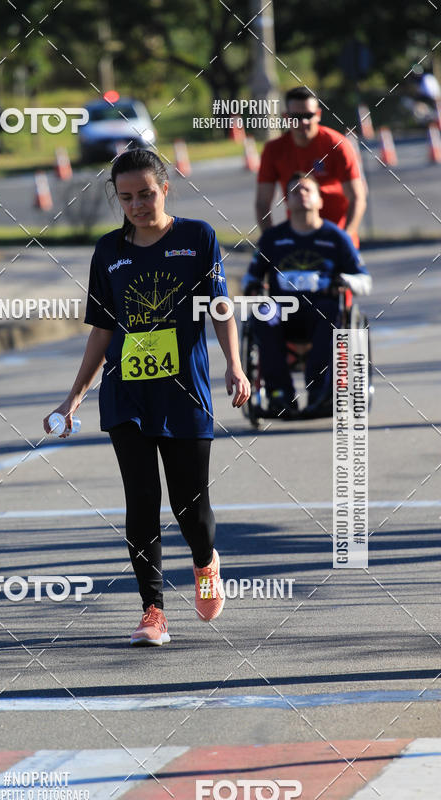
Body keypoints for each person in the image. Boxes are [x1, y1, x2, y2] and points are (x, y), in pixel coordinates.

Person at [44, 149, 250, 646]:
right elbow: (102, 329)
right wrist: (74, 397)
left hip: (184, 393)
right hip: (126, 395)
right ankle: (152, 610)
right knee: (141, 501)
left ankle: (204, 561)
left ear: (165, 190)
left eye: (146, 194)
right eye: (126, 197)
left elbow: (220, 307)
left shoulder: (197, 237)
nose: (136, 205)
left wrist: (235, 365)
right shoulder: (108, 250)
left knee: (190, 508)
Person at [244, 171, 371, 418]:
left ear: (320, 200)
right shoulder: (272, 238)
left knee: (331, 313)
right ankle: (280, 395)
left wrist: (344, 280)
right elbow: (251, 277)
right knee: (263, 314)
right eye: (294, 191)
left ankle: (320, 393)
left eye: (307, 189)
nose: (301, 193)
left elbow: (364, 281)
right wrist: (252, 287)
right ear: (286, 202)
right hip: (283, 309)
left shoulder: (336, 237)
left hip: (321, 309)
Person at [255, 86, 367, 245]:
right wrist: (270, 242)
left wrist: (345, 237)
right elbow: (262, 202)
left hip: (336, 238)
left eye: (309, 115)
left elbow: (357, 197)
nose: (303, 122)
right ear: (286, 117)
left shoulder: (337, 145)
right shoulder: (274, 150)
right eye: (297, 117)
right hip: (297, 241)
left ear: (318, 114)